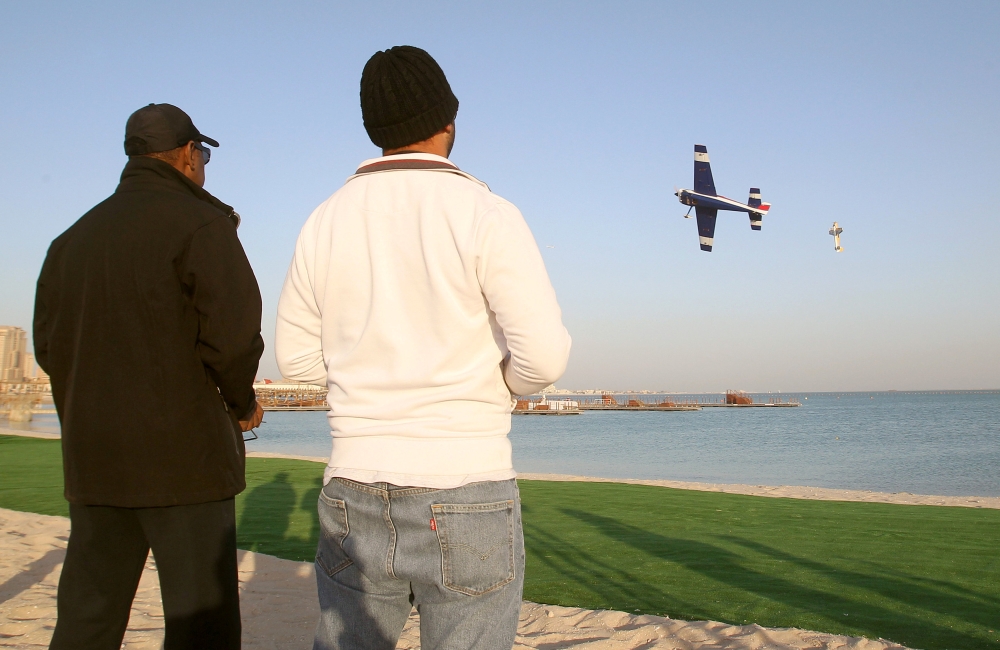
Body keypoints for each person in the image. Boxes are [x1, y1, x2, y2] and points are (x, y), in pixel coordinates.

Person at [275, 46, 571, 650]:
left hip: (354, 481)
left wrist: (368, 376)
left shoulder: (323, 220)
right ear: (448, 119)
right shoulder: (487, 213)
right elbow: (543, 357)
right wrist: (498, 386)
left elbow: (297, 363)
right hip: (466, 482)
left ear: (372, 128)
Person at [33, 103, 264, 650]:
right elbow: (232, 336)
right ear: (187, 155)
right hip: (184, 464)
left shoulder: (70, 241)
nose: (203, 164)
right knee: (199, 622)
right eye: (203, 154)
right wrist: (240, 402)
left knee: (88, 617)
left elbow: (49, 346)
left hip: (96, 460)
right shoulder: (202, 224)